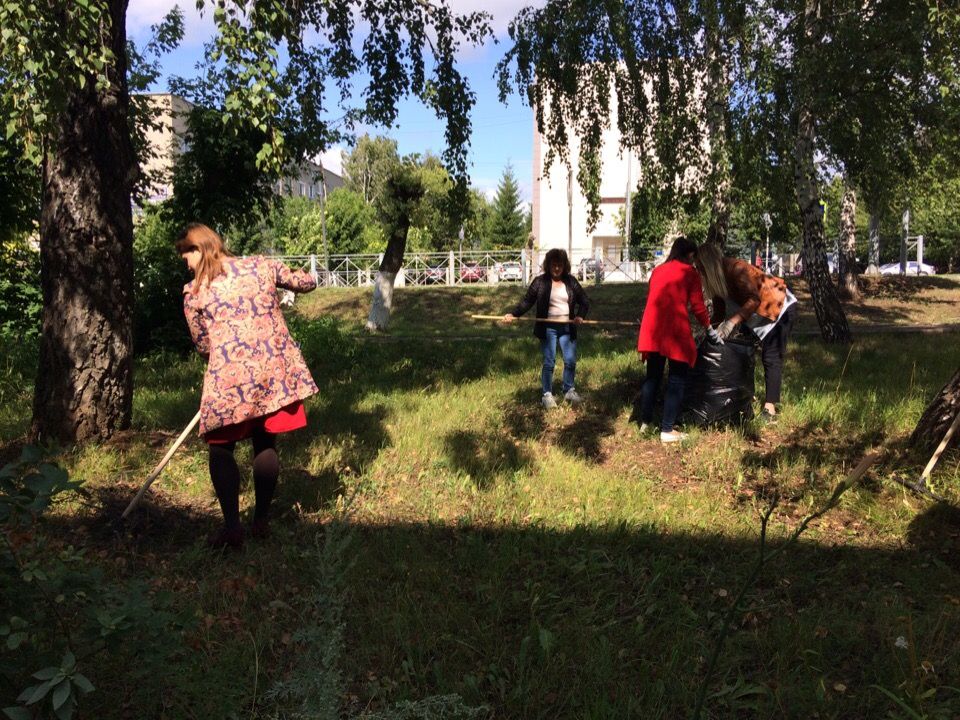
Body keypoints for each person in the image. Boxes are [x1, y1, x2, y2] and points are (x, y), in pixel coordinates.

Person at [176, 223, 319, 549]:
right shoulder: (261, 265)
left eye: (186, 254)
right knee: (264, 439)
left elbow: (203, 346)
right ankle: (261, 522)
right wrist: (287, 282)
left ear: (200, 248)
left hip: (229, 380)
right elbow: (307, 282)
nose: (185, 262)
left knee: (221, 448)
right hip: (272, 373)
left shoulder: (195, 293)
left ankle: (232, 529)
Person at [696, 241, 797, 423]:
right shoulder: (718, 279)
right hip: (761, 313)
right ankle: (744, 396)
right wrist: (709, 330)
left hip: (780, 306)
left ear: (708, 264)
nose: (698, 273)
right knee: (743, 354)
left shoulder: (736, 269)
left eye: (699, 268)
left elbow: (754, 299)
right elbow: (719, 310)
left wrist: (731, 323)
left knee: (771, 356)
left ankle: (770, 409)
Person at [637, 237, 722, 442]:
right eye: (693, 257)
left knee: (653, 377)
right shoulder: (689, 273)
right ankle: (667, 429)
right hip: (674, 330)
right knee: (677, 378)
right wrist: (709, 328)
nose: (694, 262)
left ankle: (645, 422)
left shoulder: (657, 270)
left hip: (653, 328)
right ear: (688, 255)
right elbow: (698, 305)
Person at [503, 248, 591, 408]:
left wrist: (580, 316)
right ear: (548, 265)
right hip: (547, 328)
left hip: (567, 327)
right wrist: (514, 314)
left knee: (570, 361)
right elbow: (527, 301)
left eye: (560, 265)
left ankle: (569, 390)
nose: (557, 268)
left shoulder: (571, 282)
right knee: (549, 361)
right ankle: (547, 394)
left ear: (565, 266)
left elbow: (584, 301)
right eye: (554, 264)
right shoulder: (540, 282)